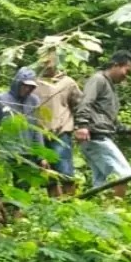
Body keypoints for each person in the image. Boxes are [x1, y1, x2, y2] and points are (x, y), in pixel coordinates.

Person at [74, 50, 131, 198]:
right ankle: (116, 211)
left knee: (101, 183)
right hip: (95, 136)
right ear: (116, 65)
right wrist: (82, 125)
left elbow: (109, 120)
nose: (126, 76)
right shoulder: (98, 80)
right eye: (126, 71)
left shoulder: (111, 87)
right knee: (124, 174)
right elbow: (85, 102)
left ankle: (99, 216)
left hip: (101, 135)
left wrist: (130, 131)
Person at [0, 66, 49, 189]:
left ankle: (18, 209)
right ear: (17, 83)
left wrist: (41, 156)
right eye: (25, 85)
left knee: (23, 190)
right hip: (4, 152)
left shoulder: (34, 101)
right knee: (1, 188)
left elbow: (36, 130)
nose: (27, 89)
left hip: (26, 153)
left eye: (31, 87)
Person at [34, 53, 83, 197]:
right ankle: (55, 206)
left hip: (61, 133)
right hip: (40, 135)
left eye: (49, 64)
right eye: (43, 64)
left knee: (65, 173)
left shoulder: (67, 82)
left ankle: (72, 203)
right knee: (48, 175)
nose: (46, 67)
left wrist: (80, 126)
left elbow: (80, 105)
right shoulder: (35, 83)